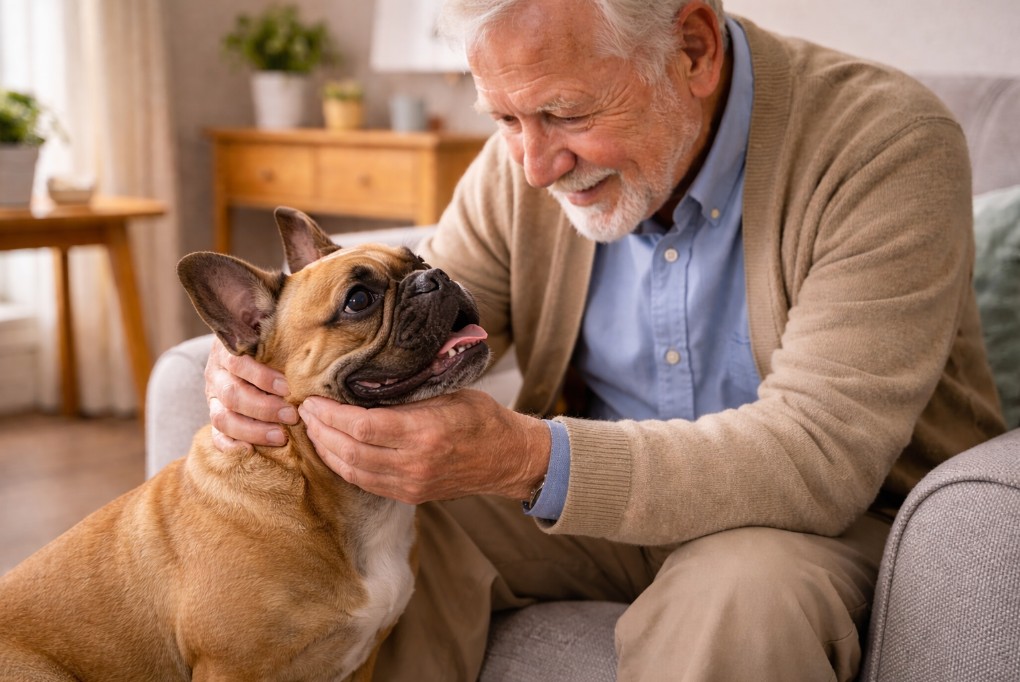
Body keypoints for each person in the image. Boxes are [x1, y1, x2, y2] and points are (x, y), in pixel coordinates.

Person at [202, 0, 1006, 679]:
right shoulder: (518, 165)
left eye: (566, 114)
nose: (537, 165)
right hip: (600, 504)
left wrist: (525, 458)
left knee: (742, 592)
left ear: (693, 48)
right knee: (370, 506)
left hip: (822, 517)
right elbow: (417, 318)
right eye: (507, 118)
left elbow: (820, 456)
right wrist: (266, 362)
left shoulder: (884, 142)